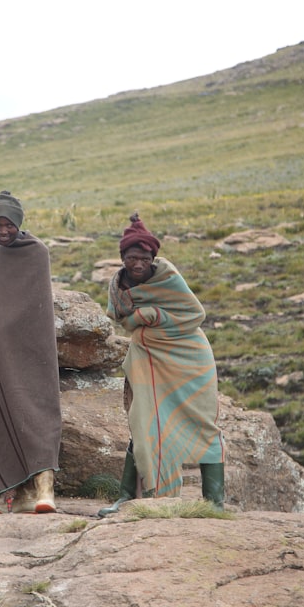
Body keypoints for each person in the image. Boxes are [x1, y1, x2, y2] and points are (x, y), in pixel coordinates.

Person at [98, 212, 225, 517]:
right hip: (149, 358)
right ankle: (128, 499)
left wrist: (154, 315)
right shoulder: (118, 284)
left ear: (153, 256)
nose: (137, 264)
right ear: (123, 257)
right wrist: (138, 319)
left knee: (203, 424)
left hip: (190, 358)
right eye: (131, 257)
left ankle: (215, 504)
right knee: (143, 424)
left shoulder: (168, 277)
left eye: (143, 257)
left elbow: (195, 315)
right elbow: (117, 316)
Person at [0, 190, 62, 513]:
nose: (2, 231)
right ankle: (16, 495)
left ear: (19, 222)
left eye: (8, 225)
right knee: (3, 416)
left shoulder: (37, 253)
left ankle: (45, 491)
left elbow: (38, 308)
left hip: (32, 351)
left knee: (37, 413)